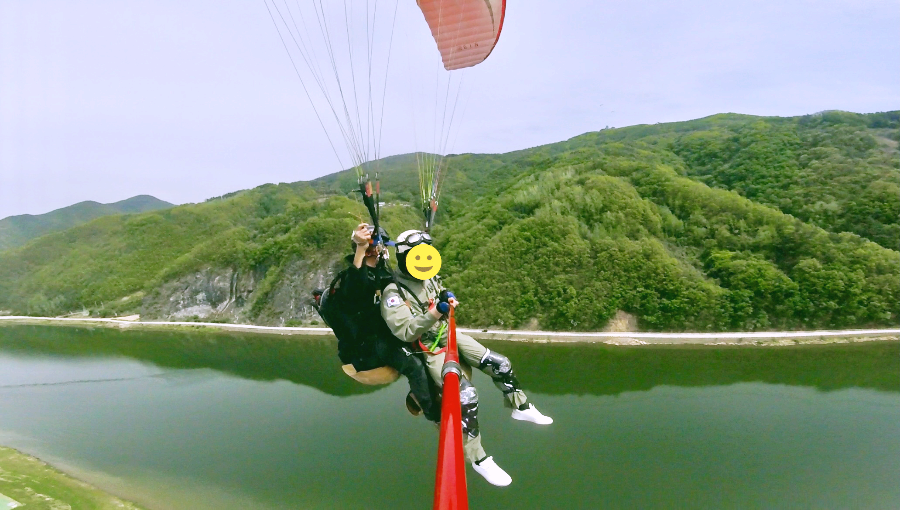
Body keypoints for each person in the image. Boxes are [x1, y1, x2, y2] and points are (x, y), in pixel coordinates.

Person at [380, 229, 553, 487]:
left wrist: (446, 296)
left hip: (447, 334)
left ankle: (521, 407)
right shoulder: (393, 293)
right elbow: (405, 331)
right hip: (428, 347)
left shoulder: (429, 277)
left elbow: (439, 288)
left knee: (500, 363)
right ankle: (479, 459)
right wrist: (436, 313)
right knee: (465, 395)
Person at [330, 223, 440, 422]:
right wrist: (361, 250)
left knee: (425, 348)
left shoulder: (385, 274)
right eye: (379, 247)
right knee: (414, 365)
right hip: (367, 345)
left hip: (383, 333)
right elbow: (355, 289)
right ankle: (435, 414)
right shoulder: (352, 277)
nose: (382, 251)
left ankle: (424, 393)